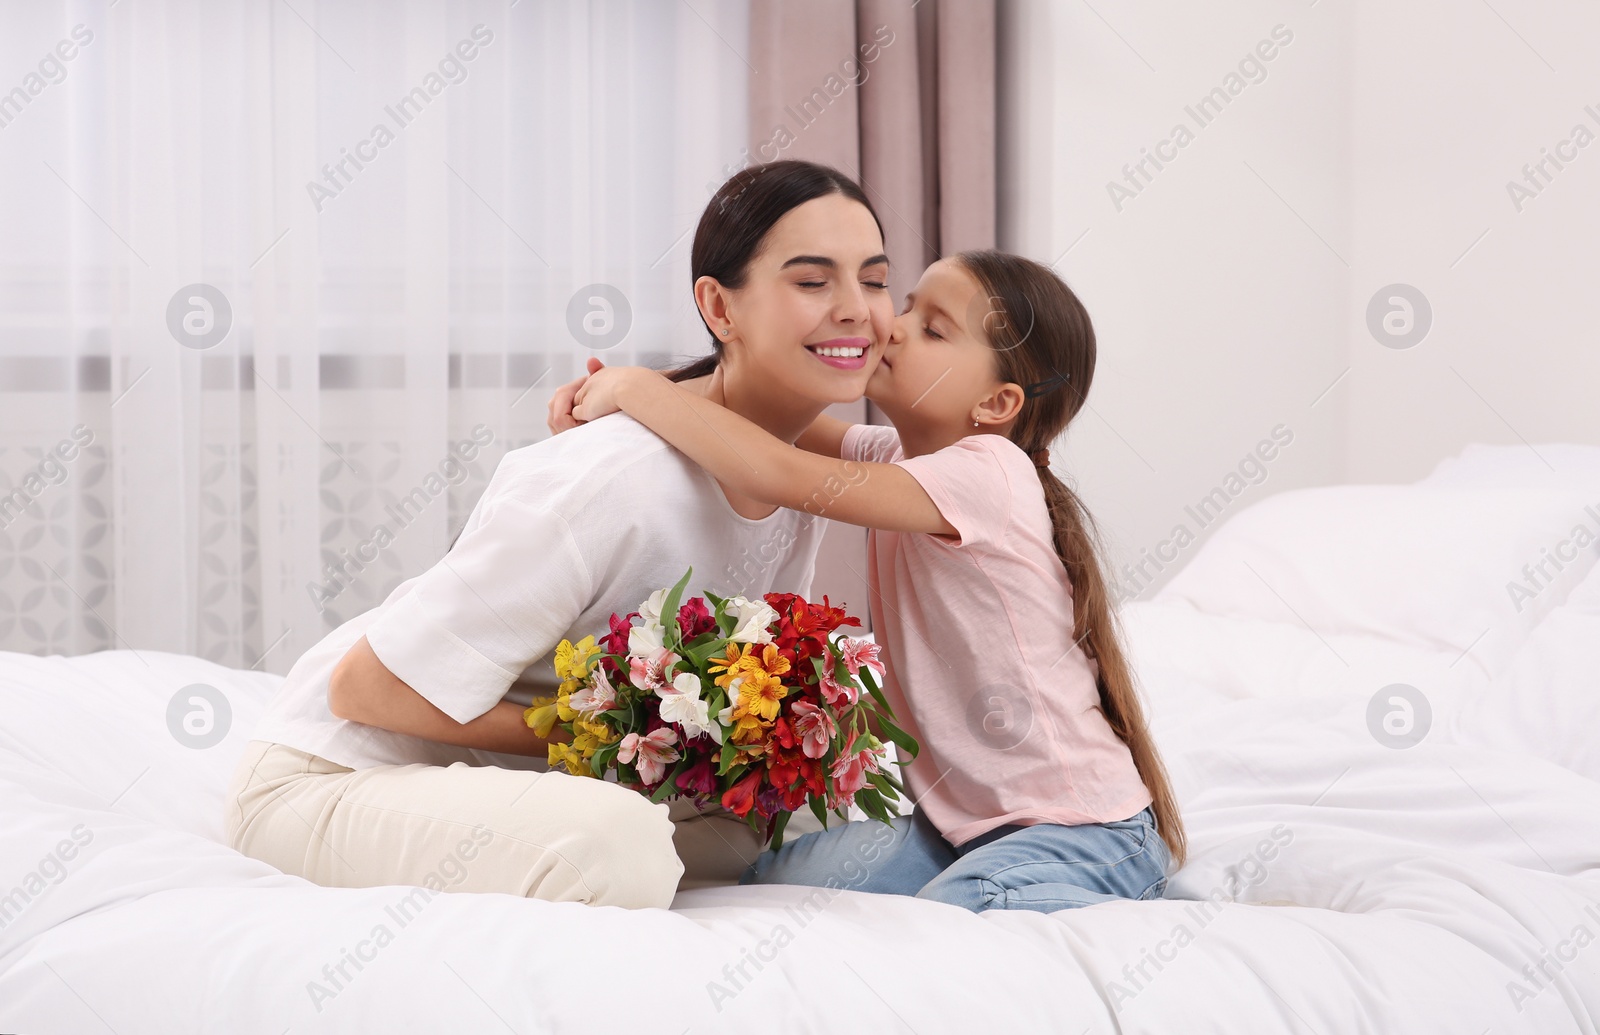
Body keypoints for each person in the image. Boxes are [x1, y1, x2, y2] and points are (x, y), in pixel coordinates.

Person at [222, 160, 897, 908]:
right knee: (613, 845)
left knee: (784, 820)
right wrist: (641, 739)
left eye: (873, 280)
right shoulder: (612, 475)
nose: (856, 310)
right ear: (720, 307)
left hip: (506, 786)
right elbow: (366, 686)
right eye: (812, 281)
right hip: (336, 778)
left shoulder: (796, 476)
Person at [554, 250, 1188, 912]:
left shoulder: (988, 473)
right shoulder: (898, 458)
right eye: (909, 305)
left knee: (950, 930)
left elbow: (771, 468)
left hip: (1081, 834)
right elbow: (763, 420)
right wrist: (617, 396)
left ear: (996, 403)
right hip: (957, 831)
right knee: (773, 890)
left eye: (933, 328)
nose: (895, 326)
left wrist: (635, 390)